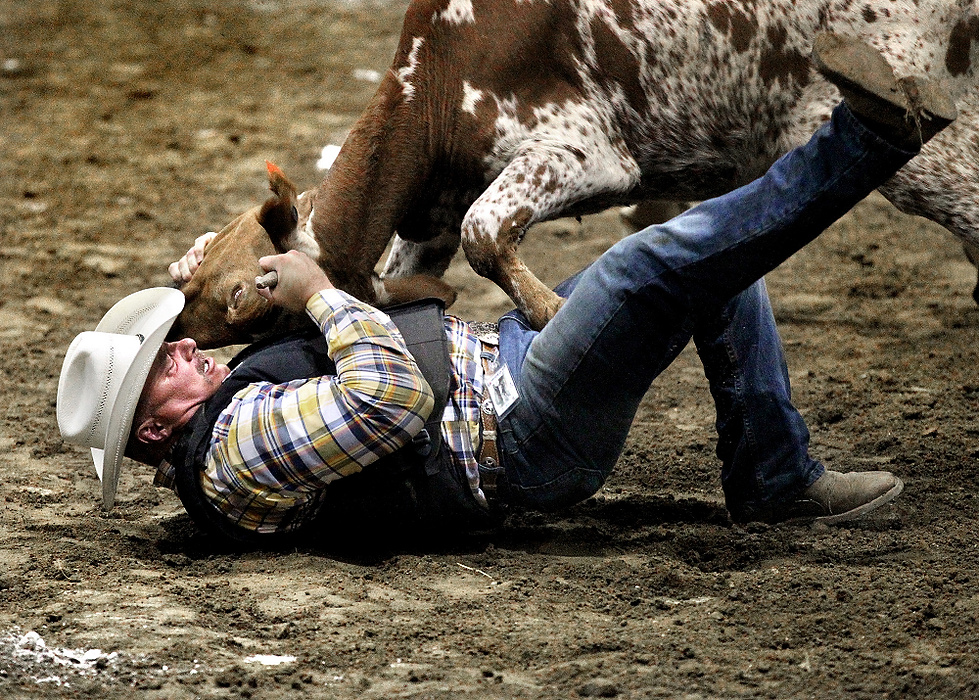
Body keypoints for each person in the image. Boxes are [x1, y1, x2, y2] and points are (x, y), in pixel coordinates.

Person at [57, 34, 956, 542]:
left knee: (705, 272)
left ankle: (774, 477)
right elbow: (391, 405)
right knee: (657, 261)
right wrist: (320, 297)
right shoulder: (235, 450)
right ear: (153, 427)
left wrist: (214, 273)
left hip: (505, 377)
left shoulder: (227, 418)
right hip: (516, 434)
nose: (181, 343)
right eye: (159, 362)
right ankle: (867, 142)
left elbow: (293, 306)